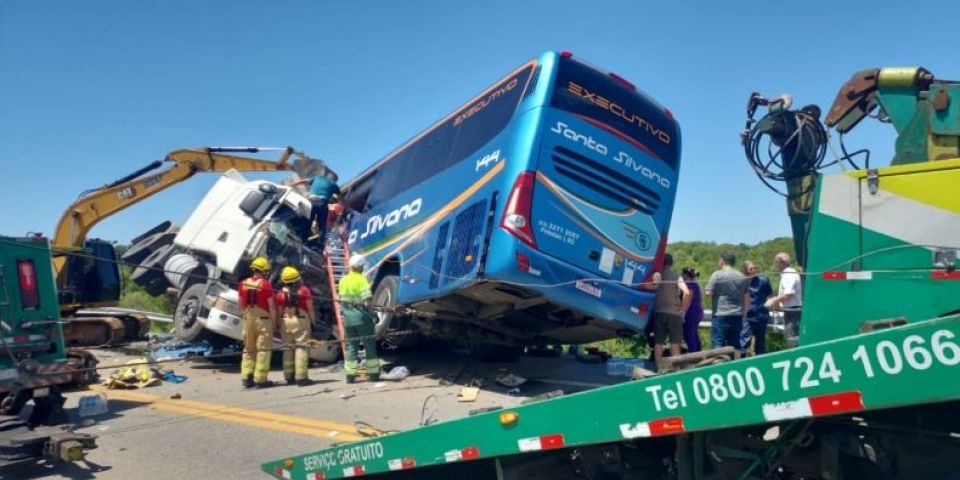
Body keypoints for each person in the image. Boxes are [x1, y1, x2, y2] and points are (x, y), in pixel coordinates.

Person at [337, 254, 380, 383]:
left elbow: (340, 300)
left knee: (351, 347)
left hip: (348, 320)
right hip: (362, 318)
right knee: (369, 346)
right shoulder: (361, 279)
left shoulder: (343, 280)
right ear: (360, 266)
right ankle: (373, 375)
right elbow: (367, 300)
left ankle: (350, 376)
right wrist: (374, 314)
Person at [237, 256, 278, 388]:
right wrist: (274, 321)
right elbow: (271, 305)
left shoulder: (243, 283)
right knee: (263, 350)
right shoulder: (265, 285)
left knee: (249, 348)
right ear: (264, 271)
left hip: (248, 319)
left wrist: (247, 315)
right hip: (263, 321)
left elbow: (241, 304)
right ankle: (261, 379)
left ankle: (246, 377)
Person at [275, 266, 315, 386]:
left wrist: (277, 324)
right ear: (297, 278)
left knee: (288, 349)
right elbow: (310, 309)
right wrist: (313, 322)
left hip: (286, 322)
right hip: (301, 322)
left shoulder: (281, 293)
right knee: (301, 348)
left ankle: (289, 376)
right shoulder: (304, 290)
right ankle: (301, 378)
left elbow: (279, 311)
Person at [705, 252, 750, 359]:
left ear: (722, 261)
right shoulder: (742, 277)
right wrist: (743, 312)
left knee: (718, 344)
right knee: (735, 344)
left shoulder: (717, 274)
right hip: (737, 314)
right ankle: (737, 366)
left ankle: (718, 368)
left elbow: (708, 292)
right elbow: (746, 296)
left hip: (720, 314)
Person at [650, 254, 690, 366]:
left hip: (659, 312)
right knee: (675, 343)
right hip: (674, 314)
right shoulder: (677, 276)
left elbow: (652, 287)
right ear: (671, 263)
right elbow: (686, 292)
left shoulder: (657, 275)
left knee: (658, 343)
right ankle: (676, 369)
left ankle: (659, 368)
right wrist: (683, 308)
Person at [293, 170, 341, 248]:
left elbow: (304, 181)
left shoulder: (317, 178)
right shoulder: (334, 185)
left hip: (311, 202)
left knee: (307, 222)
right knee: (322, 225)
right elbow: (340, 198)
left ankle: (303, 240)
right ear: (334, 179)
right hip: (322, 203)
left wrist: (294, 184)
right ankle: (319, 244)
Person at [766, 252, 803, 347]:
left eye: (776, 262)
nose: (776, 265)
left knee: (791, 340)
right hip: (792, 310)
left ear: (781, 262)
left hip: (792, 312)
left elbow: (788, 294)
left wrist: (774, 300)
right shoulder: (790, 273)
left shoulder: (788, 275)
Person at [739, 261, 774, 356]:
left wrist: (770, 304)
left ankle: (760, 364)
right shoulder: (741, 281)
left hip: (760, 315)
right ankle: (741, 364)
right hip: (747, 316)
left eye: (755, 268)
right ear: (745, 271)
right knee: (744, 341)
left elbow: (770, 295)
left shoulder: (763, 281)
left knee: (760, 343)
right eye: (751, 269)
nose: (754, 270)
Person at [681, 267, 703, 353]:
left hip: (691, 313)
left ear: (685, 275)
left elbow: (687, 300)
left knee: (689, 335)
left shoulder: (689, 285)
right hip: (697, 312)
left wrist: (682, 313)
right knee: (694, 334)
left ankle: (693, 354)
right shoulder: (695, 284)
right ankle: (698, 352)